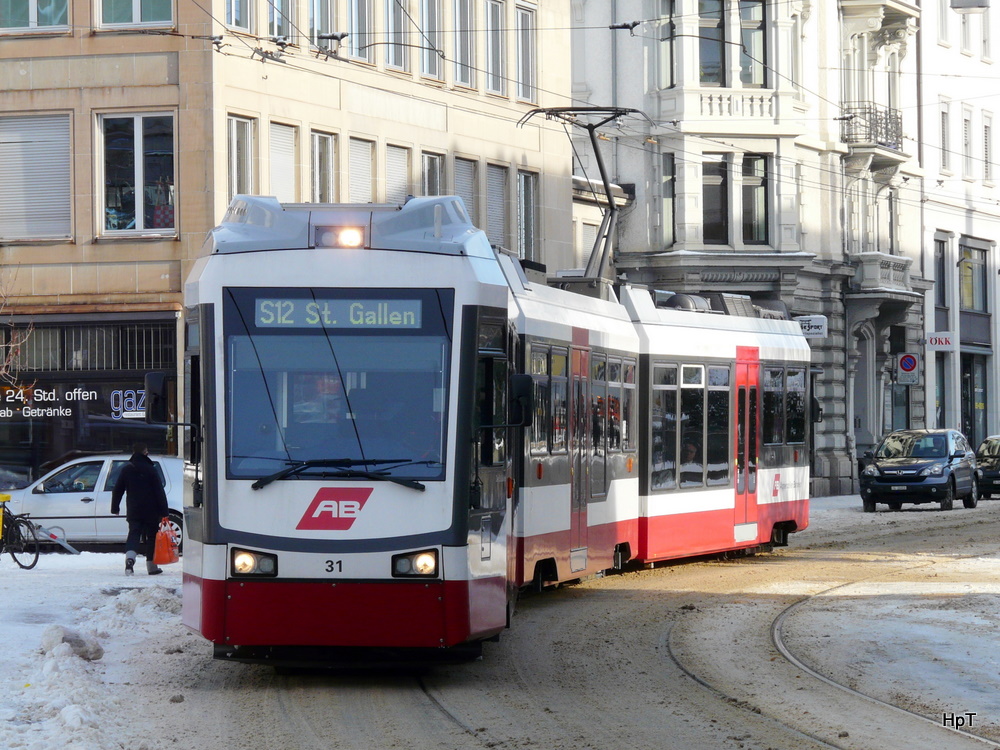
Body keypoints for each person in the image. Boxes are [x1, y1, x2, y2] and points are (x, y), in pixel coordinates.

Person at [111, 443, 169, 576]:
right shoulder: (151, 469)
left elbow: (117, 490)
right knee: (152, 537)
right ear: (145, 452)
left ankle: (130, 560)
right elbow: (159, 492)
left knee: (134, 535)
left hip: (134, 509)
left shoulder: (127, 469)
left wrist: (115, 507)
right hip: (151, 510)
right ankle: (152, 567)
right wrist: (164, 512)